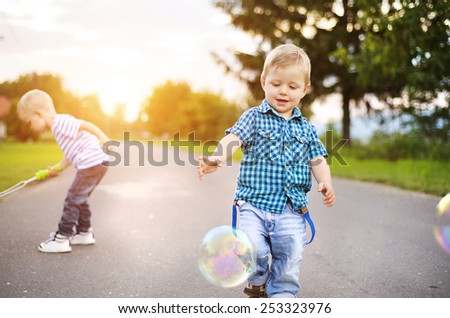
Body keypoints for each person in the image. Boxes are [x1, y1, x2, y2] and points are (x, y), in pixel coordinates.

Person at [197, 44, 335, 298]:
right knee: (253, 248)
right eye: (276, 84)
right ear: (264, 82)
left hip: (292, 207)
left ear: (304, 90)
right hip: (253, 203)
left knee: (291, 253)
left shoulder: (306, 129)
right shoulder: (254, 117)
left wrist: (325, 182)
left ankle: (282, 293)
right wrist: (217, 157)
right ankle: (257, 278)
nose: (283, 91)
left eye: (292, 87)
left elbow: (318, 158)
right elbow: (233, 139)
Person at [17, 89, 110, 253]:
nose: (30, 127)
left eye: (29, 122)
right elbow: (70, 153)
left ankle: (62, 238)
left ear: (38, 113)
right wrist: (58, 168)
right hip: (98, 163)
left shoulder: (59, 122)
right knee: (80, 198)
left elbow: (85, 124)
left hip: (91, 162)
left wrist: (102, 137)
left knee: (72, 199)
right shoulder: (57, 128)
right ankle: (84, 233)